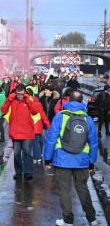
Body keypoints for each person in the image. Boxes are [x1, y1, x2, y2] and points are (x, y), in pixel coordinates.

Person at [44, 91, 98, 226]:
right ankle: (92, 219)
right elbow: (93, 143)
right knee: (82, 188)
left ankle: (68, 220)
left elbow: (51, 139)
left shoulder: (60, 117)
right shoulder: (87, 119)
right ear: (81, 102)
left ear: (68, 100)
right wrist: (91, 163)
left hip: (62, 160)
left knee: (65, 189)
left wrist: (47, 158)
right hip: (82, 161)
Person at [1, 84, 39, 181]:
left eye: (22, 94)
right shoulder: (12, 100)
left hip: (27, 132)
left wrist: (28, 100)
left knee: (27, 152)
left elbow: (35, 111)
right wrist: (9, 99)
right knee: (17, 153)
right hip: (16, 131)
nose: (20, 96)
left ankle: (27, 172)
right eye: (18, 94)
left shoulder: (29, 100)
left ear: (25, 93)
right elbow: (3, 110)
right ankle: (18, 172)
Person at [27, 89, 50, 162]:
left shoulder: (26, 103)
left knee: (27, 144)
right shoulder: (38, 103)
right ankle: (37, 157)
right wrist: (48, 126)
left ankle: (27, 158)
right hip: (38, 127)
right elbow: (43, 116)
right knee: (36, 142)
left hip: (28, 127)